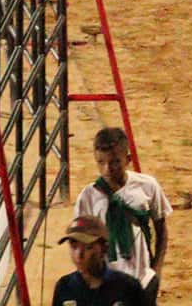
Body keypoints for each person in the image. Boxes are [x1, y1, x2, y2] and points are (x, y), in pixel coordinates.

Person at [73, 127, 171, 304]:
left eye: (115, 162)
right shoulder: (88, 197)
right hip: (106, 285)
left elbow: (161, 231)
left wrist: (156, 272)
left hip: (142, 280)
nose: (107, 169)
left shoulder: (147, 187)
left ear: (128, 160)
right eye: (101, 162)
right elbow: (80, 243)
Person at [50, 215, 146, 306]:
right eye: (74, 246)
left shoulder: (128, 287)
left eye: (88, 247)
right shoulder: (64, 287)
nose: (79, 255)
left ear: (104, 248)